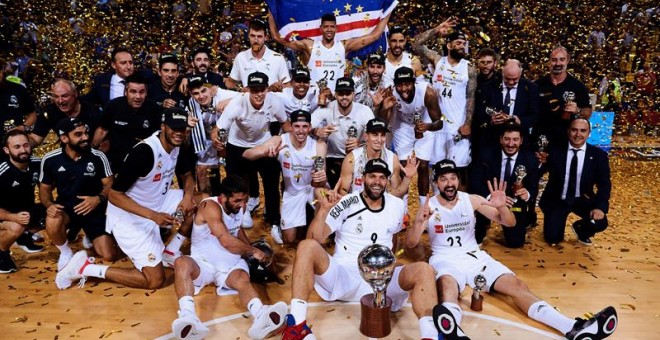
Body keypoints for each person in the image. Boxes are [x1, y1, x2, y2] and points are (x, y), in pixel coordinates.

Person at [407, 159, 618, 340]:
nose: (449, 183)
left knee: (518, 286)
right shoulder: (429, 206)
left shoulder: (471, 200)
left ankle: (572, 328)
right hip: (445, 259)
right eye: (443, 179)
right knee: (447, 288)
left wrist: (501, 207)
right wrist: (418, 223)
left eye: (452, 178)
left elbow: (509, 222)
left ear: (458, 180)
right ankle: (452, 333)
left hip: (475, 257)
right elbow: (410, 243)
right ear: (436, 183)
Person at [282, 159, 444, 340]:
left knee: (424, 270)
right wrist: (323, 210)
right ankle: (296, 327)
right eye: (372, 176)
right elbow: (314, 239)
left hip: (382, 281)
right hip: (345, 276)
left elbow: (408, 244)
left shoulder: (397, 205)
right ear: (363, 178)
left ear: (387, 181)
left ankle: (430, 335)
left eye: (382, 177)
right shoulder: (346, 202)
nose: (377, 181)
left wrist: (420, 223)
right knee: (306, 246)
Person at [54, 108, 197, 290]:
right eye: (174, 128)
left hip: (158, 201)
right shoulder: (144, 152)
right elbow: (114, 195)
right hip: (130, 215)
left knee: (203, 201)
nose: (179, 133)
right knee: (155, 281)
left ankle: (170, 252)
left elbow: (187, 175)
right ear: (163, 127)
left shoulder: (180, 144)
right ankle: (86, 268)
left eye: (183, 128)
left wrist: (188, 196)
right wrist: (153, 216)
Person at [171, 175, 287, 340]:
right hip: (203, 264)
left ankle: (261, 315)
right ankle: (188, 318)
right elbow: (226, 240)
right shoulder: (209, 206)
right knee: (181, 262)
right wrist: (253, 251)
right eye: (238, 200)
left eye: (245, 200)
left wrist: (252, 249)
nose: (242, 205)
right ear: (223, 197)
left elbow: (236, 228)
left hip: (230, 266)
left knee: (242, 279)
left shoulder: (239, 207)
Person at [38, 118, 116, 288]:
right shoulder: (50, 159)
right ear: (64, 138)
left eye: (86, 133)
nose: (85, 138)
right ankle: (66, 252)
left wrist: (98, 199)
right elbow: (44, 190)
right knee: (52, 218)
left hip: (93, 209)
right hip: (66, 209)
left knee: (108, 255)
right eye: (78, 134)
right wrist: (49, 205)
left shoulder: (98, 156)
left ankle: (89, 234)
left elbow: (110, 183)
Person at [212, 71, 290, 231]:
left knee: (271, 183)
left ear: (267, 89)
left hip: (263, 144)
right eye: (254, 90)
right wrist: (216, 140)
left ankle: (274, 220)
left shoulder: (275, 102)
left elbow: (285, 124)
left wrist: (290, 141)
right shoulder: (237, 104)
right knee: (235, 184)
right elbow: (218, 128)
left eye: (262, 89)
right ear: (247, 89)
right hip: (237, 145)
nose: (259, 94)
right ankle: (240, 213)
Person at [243, 110, 327, 245]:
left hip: (312, 190)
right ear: (291, 127)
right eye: (297, 126)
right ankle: (297, 223)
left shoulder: (319, 145)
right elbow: (248, 154)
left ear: (310, 127)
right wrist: (265, 152)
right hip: (292, 192)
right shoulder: (279, 140)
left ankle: (313, 219)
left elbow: (322, 182)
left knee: (316, 236)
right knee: (289, 240)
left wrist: (321, 177)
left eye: (305, 126)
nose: (301, 131)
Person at [268, 12, 391, 92]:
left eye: (332, 27)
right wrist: (271, 9)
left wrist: (389, 8)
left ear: (336, 29)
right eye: (326, 26)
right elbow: (277, 37)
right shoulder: (309, 46)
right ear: (321, 28)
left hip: (337, 99)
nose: (329, 30)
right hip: (312, 99)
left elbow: (375, 36)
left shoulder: (344, 46)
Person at [414, 29, 477, 180]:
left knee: (459, 172)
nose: (462, 46)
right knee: (437, 172)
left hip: (458, 127)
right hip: (437, 126)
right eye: (458, 43)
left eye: (464, 43)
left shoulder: (469, 68)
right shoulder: (437, 60)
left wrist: (468, 123)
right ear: (449, 45)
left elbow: (471, 97)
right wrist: (437, 30)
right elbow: (416, 44)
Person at [538, 118, 611, 246]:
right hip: (557, 199)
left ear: (589, 133)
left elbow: (604, 184)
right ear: (568, 131)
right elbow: (539, 171)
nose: (578, 134)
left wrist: (599, 207)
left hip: (582, 199)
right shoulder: (554, 151)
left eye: (583, 131)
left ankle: (581, 229)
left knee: (600, 222)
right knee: (552, 238)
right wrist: (539, 162)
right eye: (574, 130)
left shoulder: (599, 156)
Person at [469, 123, 539, 247]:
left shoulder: (531, 160)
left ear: (521, 141)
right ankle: (483, 223)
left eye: (515, 139)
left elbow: (533, 188)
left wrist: (526, 194)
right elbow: (475, 181)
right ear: (501, 139)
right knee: (475, 240)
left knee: (515, 243)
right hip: (488, 201)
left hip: (513, 205)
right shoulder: (485, 155)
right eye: (507, 139)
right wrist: (491, 197)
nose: (511, 144)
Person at [381, 67, 443, 204]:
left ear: (414, 83)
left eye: (407, 84)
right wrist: (385, 108)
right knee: (404, 166)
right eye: (400, 85)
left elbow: (439, 123)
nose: (403, 89)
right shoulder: (390, 93)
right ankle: (402, 208)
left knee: (423, 166)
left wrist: (427, 127)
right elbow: (383, 122)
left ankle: (423, 205)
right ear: (395, 84)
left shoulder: (428, 92)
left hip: (425, 123)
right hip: (402, 125)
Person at [310, 77, 374, 188]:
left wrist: (359, 144)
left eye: (348, 93)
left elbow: (374, 136)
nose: (344, 97)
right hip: (333, 157)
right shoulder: (327, 109)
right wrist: (317, 131)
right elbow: (305, 126)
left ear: (353, 94)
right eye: (340, 93)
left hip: (357, 156)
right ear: (335, 94)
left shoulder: (364, 111)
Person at [91, 73, 162, 171]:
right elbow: (102, 130)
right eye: (133, 92)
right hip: (116, 160)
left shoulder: (154, 109)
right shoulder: (113, 106)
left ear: (146, 93)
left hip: (144, 161)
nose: (138, 96)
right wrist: (92, 151)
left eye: (141, 92)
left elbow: (159, 137)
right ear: (126, 92)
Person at [337, 117, 417, 198]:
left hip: (382, 207)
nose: (379, 140)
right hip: (357, 205)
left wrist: (407, 178)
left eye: (382, 135)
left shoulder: (392, 159)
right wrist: (358, 204)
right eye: (375, 135)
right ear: (366, 136)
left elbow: (397, 194)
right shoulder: (352, 158)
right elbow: (342, 190)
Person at [0, 130, 44, 273]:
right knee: (16, 227)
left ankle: (24, 237)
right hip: (5, 215)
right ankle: (2, 252)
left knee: (57, 211)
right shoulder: (2, 171)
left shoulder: (37, 163)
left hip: (25, 211)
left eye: (26, 145)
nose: (23, 150)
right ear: (7, 150)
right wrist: (12, 217)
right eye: (17, 147)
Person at [187, 75, 239, 196]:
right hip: (207, 140)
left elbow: (245, 96)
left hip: (231, 138)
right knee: (201, 170)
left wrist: (228, 102)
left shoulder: (221, 94)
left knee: (234, 171)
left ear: (211, 88)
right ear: (191, 94)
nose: (201, 96)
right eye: (196, 93)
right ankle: (207, 201)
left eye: (204, 90)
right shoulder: (190, 106)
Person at [473, 59, 540, 153]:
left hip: (519, 145)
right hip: (491, 142)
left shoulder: (531, 89)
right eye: (507, 78)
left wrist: (520, 121)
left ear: (520, 74)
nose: (511, 82)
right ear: (502, 72)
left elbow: (535, 115)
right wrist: (491, 121)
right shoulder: (487, 87)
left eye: (515, 79)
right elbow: (478, 113)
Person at [535, 46, 591, 148]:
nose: (558, 64)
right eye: (554, 60)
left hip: (566, 140)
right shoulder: (538, 85)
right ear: (549, 61)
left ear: (568, 61)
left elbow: (588, 112)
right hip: (540, 138)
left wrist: (577, 110)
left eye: (562, 59)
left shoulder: (578, 86)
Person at [225, 18, 290, 92]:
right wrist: (240, 89)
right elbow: (230, 84)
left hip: (272, 101)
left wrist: (278, 87)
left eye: (259, 36)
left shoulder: (278, 58)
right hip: (247, 101)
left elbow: (287, 85)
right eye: (252, 36)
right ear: (248, 36)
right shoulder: (241, 57)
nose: (255, 40)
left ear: (266, 38)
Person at [32, 79, 102, 146]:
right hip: (67, 154)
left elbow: (104, 140)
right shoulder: (50, 111)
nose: (60, 101)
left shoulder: (91, 110)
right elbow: (35, 138)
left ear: (75, 94)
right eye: (56, 97)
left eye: (64, 96)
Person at [0, 57, 37, 145]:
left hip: (14, 143)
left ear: (2, 71)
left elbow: (32, 114)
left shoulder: (18, 89)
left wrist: (23, 127)